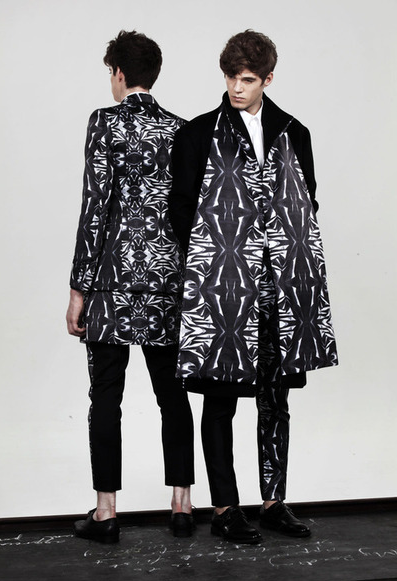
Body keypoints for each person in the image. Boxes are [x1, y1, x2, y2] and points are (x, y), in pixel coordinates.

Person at [168, 30, 338, 545]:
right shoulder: (199, 133)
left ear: (268, 79)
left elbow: (308, 203)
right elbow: (180, 212)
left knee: (275, 399)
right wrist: (220, 258)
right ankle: (225, 508)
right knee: (219, 399)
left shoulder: (293, 132)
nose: (236, 88)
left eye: (246, 79)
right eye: (230, 77)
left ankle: (273, 502)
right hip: (223, 290)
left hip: (279, 289)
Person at [66, 30, 195, 543]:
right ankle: (182, 505)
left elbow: (94, 207)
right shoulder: (181, 130)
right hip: (167, 281)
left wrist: (78, 289)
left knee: (106, 397)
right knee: (173, 395)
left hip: (111, 284)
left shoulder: (105, 121)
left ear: (119, 73)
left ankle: (107, 512)